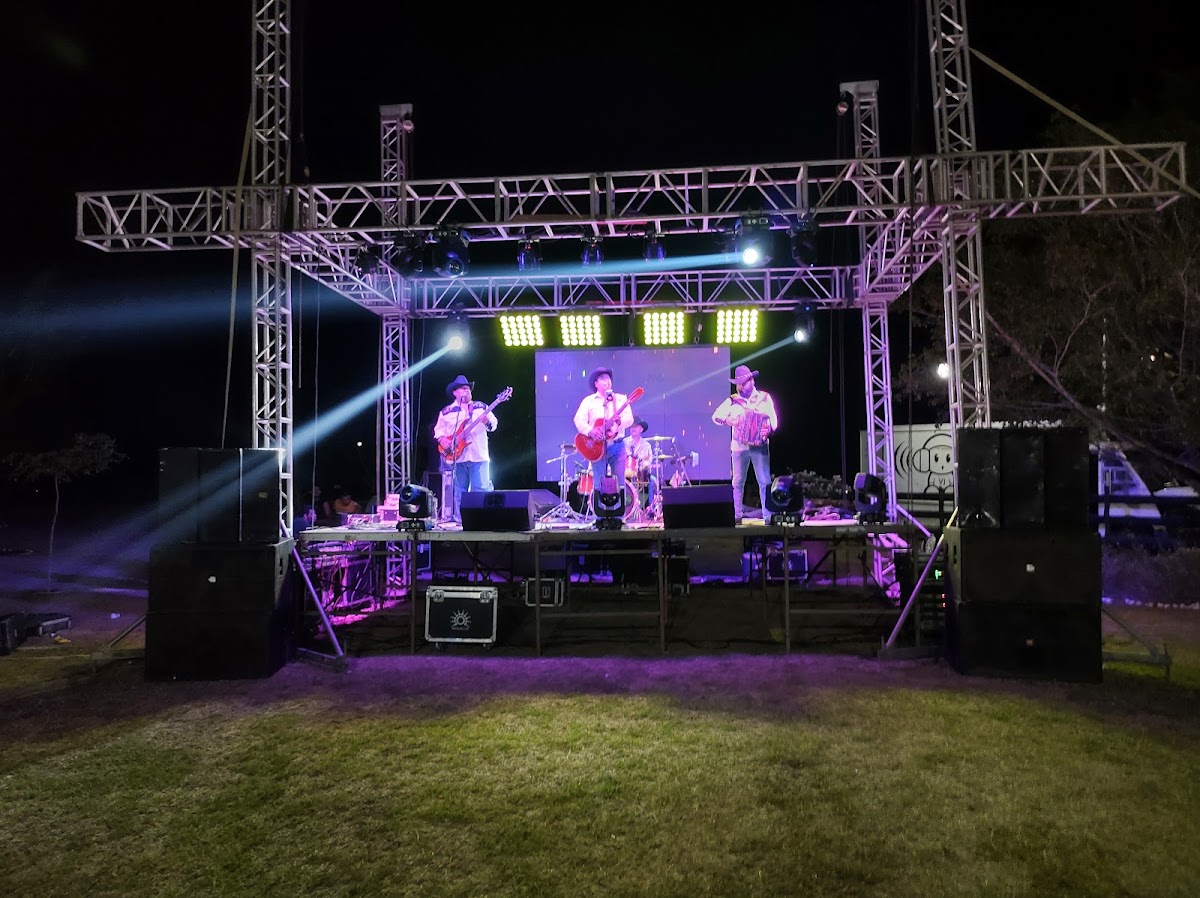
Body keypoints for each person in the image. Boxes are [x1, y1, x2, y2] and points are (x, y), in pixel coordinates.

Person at [711, 364, 778, 521]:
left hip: (759, 446)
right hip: (739, 447)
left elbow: (774, 420)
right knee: (737, 482)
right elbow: (716, 416)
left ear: (752, 381)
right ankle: (736, 515)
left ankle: (768, 515)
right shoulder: (733, 400)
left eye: (744, 383)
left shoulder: (764, 398)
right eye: (739, 384)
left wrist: (769, 430)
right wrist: (728, 420)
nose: (741, 386)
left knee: (764, 481)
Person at [433, 374, 498, 523]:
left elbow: (494, 424)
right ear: (455, 392)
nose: (467, 390)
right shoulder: (447, 412)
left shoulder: (481, 407)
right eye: (463, 388)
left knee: (481, 489)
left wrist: (486, 422)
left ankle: (482, 520)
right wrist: (443, 440)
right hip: (458, 457)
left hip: (478, 456)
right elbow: (438, 430)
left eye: (468, 388)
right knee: (460, 491)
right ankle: (461, 520)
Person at [573, 366, 634, 480]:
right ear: (596, 384)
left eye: (608, 378)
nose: (607, 380)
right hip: (596, 446)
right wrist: (590, 431)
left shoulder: (621, 399)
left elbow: (630, 419)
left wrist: (620, 422)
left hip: (617, 445)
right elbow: (578, 419)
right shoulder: (588, 401)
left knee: (619, 483)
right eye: (603, 378)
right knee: (599, 483)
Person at [623, 417, 659, 514]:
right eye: (631, 427)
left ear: (641, 429)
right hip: (625, 473)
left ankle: (651, 510)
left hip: (639, 474)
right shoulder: (624, 443)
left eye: (635, 426)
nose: (633, 429)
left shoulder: (646, 445)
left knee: (652, 480)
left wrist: (640, 467)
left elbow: (648, 461)